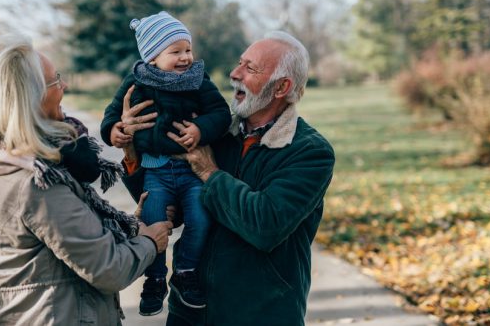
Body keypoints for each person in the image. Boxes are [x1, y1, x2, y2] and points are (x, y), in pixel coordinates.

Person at [118, 31, 335, 326]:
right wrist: (132, 149)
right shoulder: (215, 133)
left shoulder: (309, 151)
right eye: (239, 63)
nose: (235, 74)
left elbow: (265, 225)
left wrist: (209, 173)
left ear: (282, 86)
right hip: (189, 310)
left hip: (260, 314)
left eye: (250, 68)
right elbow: (173, 203)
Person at [0, 33, 173, 325]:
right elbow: (109, 268)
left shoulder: (10, 160)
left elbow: (72, 238)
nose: (65, 85)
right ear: (28, 99)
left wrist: (128, 226)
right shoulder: (35, 182)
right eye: (55, 81)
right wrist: (150, 242)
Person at [100, 11, 232, 316]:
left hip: (190, 171)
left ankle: (185, 271)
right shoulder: (137, 81)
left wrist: (201, 130)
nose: (185, 57)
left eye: (188, 49)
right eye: (175, 52)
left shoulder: (197, 80)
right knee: (153, 222)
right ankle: (155, 277)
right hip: (155, 172)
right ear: (152, 57)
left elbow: (220, 113)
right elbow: (112, 115)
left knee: (200, 219)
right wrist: (115, 131)